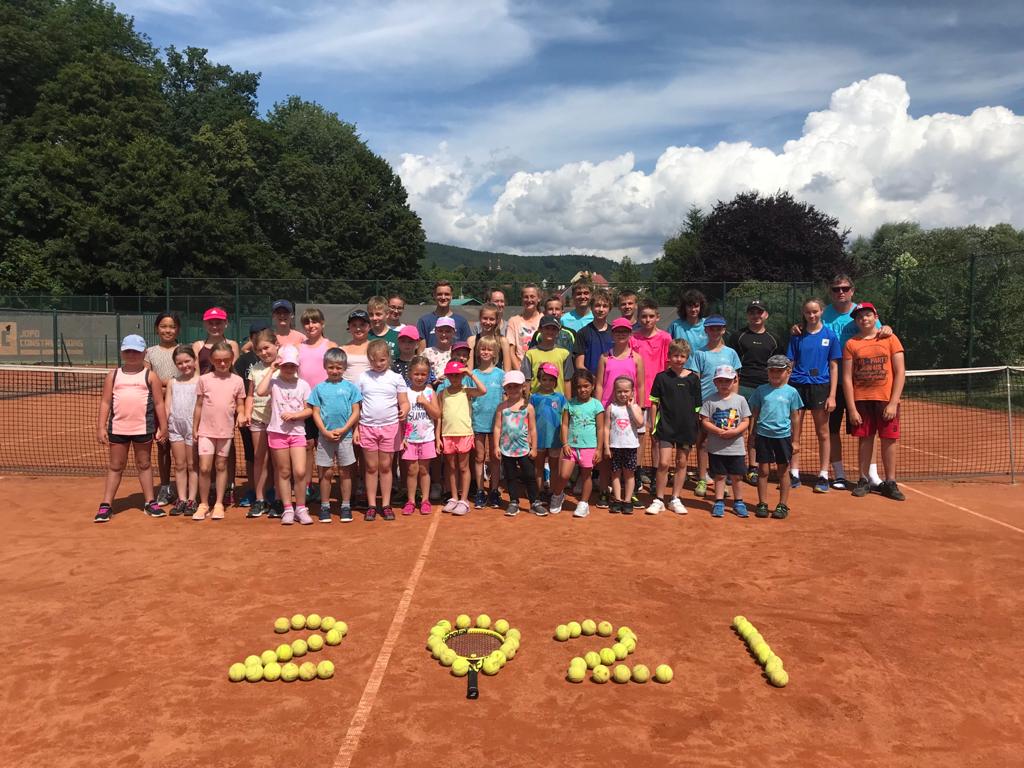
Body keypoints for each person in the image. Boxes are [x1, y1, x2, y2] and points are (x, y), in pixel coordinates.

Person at [805, 274, 889, 490]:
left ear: (852, 290)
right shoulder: (824, 314)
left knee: (867, 431)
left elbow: (879, 334)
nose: (840, 292)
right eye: (836, 289)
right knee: (832, 430)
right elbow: (810, 328)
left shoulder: (862, 313)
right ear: (830, 292)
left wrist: (887, 329)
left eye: (844, 288)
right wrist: (797, 328)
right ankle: (839, 474)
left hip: (861, 384)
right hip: (831, 384)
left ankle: (871, 475)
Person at [94, 334, 167, 523]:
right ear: (122, 352)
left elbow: (159, 403)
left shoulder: (150, 376)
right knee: (115, 465)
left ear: (144, 353)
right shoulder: (113, 376)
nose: (132, 354)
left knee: (144, 464)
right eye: (128, 351)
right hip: (118, 429)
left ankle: (150, 502)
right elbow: (105, 402)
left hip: (143, 429)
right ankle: (106, 504)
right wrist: (100, 427)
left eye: (136, 351)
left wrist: (163, 426)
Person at [842, 302, 906, 501]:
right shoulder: (851, 344)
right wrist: (852, 408)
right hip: (861, 400)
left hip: (885, 400)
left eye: (868, 315)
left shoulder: (890, 339)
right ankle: (863, 480)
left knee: (889, 440)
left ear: (875, 317)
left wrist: (893, 402)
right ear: (856, 321)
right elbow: (847, 378)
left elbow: (900, 372)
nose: (864, 319)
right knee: (865, 440)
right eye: (859, 316)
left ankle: (890, 482)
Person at [787, 298, 841, 493]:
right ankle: (793, 472)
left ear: (821, 311)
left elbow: (834, 367)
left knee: (823, 432)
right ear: (803, 313)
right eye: (808, 312)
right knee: (795, 431)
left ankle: (823, 474)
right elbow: (790, 363)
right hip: (797, 386)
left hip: (820, 387)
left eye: (815, 311)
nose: (812, 315)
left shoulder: (830, 336)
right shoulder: (797, 335)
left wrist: (832, 395)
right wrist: (785, 390)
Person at [256, 345, 312, 525]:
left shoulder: (303, 384)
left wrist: (295, 415)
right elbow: (260, 391)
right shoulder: (273, 382)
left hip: (297, 433)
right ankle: (288, 508)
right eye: (285, 365)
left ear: (297, 366)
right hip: (277, 433)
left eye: (292, 365)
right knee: (284, 471)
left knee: (300, 471)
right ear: (280, 365)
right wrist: (271, 369)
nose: (289, 368)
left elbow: (309, 410)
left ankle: (301, 508)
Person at [686, 314, 741, 497]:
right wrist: (697, 405)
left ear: (724, 330)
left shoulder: (731, 353)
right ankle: (702, 478)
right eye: (711, 328)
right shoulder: (699, 353)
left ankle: (720, 480)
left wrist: (734, 402)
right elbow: (695, 380)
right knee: (702, 442)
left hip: (726, 406)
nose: (715, 332)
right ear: (706, 330)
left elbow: (735, 379)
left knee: (722, 443)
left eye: (718, 328)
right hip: (705, 404)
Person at [727, 299, 781, 483]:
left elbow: (779, 365)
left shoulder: (774, 339)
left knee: (755, 429)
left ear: (766, 315)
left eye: (759, 312)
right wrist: (733, 387)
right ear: (747, 315)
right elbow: (731, 363)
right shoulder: (738, 336)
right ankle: (732, 467)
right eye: (752, 312)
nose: (756, 315)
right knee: (734, 427)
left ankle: (753, 467)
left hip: (765, 389)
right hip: (742, 386)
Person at [646, 339, 702, 515]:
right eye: (675, 355)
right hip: (666, 427)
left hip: (686, 428)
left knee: (682, 462)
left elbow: (697, 407)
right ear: (669, 356)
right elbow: (654, 403)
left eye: (682, 356)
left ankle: (675, 498)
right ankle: (659, 499)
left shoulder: (693, 379)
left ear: (687, 358)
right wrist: (652, 425)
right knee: (663, 463)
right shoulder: (661, 377)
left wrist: (695, 428)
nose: (679, 359)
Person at [192, 341, 245, 521]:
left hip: (225, 431)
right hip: (205, 431)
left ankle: (219, 503)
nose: (222, 363)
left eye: (226, 360)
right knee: (204, 467)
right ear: (212, 360)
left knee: (221, 466)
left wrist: (241, 414)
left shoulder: (237, 381)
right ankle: (203, 504)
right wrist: (195, 428)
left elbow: (240, 404)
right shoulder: (204, 380)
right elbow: (199, 406)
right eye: (218, 360)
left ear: (232, 359)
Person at [357, 340, 410, 521]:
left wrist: (404, 410)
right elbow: (357, 405)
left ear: (388, 358)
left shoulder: (396, 378)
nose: (378, 364)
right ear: (368, 359)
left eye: (382, 360)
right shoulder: (363, 378)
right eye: (373, 360)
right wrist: (356, 429)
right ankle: (372, 505)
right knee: (371, 467)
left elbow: (404, 401)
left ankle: (386, 504)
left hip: (390, 428)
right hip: (367, 427)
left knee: (386, 467)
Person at [309, 347, 362, 523]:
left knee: (345, 472)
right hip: (325, 438)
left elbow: (356, 411)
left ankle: (345, 506)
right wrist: (324, 432)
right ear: (325, 366)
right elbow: (315, 412)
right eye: (331, 367)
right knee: (326, 473)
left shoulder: (351, 388)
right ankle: (325, 506)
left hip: (345, 437)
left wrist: (345, 429)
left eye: (339, 367)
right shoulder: (319, 389)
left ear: (345, 367)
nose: (335, 371)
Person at [749, 356, 804, 519]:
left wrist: (795, 441)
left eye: (779, 371)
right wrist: (752, 434)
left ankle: (782, 505)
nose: (774, 374)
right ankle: (762, 503)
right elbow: (755, 414)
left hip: (783, 437)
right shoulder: (760, 390)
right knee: (763, 470)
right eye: (771, 370)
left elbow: (795, 417)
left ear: (788, 372)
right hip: (763, 435)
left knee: (783, 471)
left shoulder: (792, 392)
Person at [548, 368, 605, 518]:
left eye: (586, 386)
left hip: (589, 447)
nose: (582, 389)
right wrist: (565, 444)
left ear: (592, 386)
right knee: (563, 475)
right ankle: (557, 495)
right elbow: (564, 425)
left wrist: (599, 449)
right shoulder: (569, 404)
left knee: (586, 475)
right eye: (579, 387)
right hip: (571, 447)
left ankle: (583, 504)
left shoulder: (597, 405)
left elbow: (600, 428)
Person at [297, 308, 338, 506]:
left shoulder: (331, 346)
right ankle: (307, 485)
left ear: (322, 324)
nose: (311, 325)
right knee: (307, 445)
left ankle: (324, 486)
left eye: (314, 321)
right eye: (307, 322)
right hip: (305, 405)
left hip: (326, 406)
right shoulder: (298, 347)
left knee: (324, 446)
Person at [438, 359, 488, 516]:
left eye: (457, 375)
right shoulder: (442, 393)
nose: (454, 378)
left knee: (463, 467)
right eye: (451, 375)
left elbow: (483, 390)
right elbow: (439, 417)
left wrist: (470, 374)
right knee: (452, 468)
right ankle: (454, 497)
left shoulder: (466, 391)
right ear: (447, 376)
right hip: (447, 435)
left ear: (462, 376)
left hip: (464, 434)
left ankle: (464, 500)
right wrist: (438, 437)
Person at [699, 365, 750, 519]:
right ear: (715, 382)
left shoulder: (740, 400)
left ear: (734, 381)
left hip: (736, 448)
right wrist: (718, 431)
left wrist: (735, 431)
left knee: (737, 476)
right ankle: (719, 502)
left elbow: (746, 420)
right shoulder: (709, 400)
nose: (724, 384)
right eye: (720, 381)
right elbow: (704, 421)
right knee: (720, 476)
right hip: (717, 448)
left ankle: (739, 502)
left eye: (727, 381)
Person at [493, 370, 546, 517]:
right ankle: (513, 502)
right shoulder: (501, 407)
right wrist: (496, 446)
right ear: (505, 388)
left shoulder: (528, 407)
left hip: (524, 449)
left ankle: (535, 502)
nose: (512, 389)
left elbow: (533, 429)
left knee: (529, 476)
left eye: (516, 386)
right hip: (507, 449)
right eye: (509, 387)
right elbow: (497, 427)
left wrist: (534, 448)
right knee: (510, 477)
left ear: (523, 387)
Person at [631, 298, 671, 492]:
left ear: (657, 317)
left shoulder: (665, 338)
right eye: (644, 316)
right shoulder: (633, 338)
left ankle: (655, 476)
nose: (647, 320)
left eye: (651, 316)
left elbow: (669, 366)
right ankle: (637, 475)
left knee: (656, 437)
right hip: (638, 396)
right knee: (638, 437)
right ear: (638, 318)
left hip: (658, 397)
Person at [145, 312, 181, 506]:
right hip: (159, 407)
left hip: (182, 406)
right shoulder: (150, 353)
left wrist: (165, 384)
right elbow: (148, 380)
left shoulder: (184, 350)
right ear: (156, 329)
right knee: (163, 446)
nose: (168, 330)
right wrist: (167, 385)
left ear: (178, 329)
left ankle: (187, 490)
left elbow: (188, 377)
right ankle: (165, 487)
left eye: (172, 326)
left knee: (186, 450)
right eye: (164, 326)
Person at [244, 329, 280, 518]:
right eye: (259, 350)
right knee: (260, 459)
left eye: (267, 348)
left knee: (279, 461)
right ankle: (260, 500)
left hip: (280, 421)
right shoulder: (255, 369)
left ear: (277, 345)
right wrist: (247, 412)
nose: (264, 353)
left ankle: (279, 499)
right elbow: (250, 395)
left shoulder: (286, 366)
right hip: (258, 418)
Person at [233, 321, 268, 509]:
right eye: (256, 334)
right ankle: (252, 490)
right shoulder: (243, 361)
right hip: (250, 414)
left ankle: (270, 491)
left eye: (263, 333)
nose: (259, 337)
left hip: (271, 416)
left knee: (271, 456)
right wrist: (242, 411)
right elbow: (239, 386)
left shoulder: (277, 359)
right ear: (251, 338)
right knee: (251, 454)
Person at [401, 356, 440, 516]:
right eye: (416, 374)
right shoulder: (405, 393)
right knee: (411, 471)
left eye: (423, 374)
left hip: (427, 438)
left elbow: (437, 414)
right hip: (409, 439)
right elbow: (401, 417)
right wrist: (402, 437)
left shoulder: (430, 392)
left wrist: (425, 403)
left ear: (428, 375)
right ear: (410, 374)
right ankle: (411, 500)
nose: (419, 377)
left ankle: (425, 500)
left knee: (424, 470)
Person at [470, 336, 506, 508]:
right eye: (482, 349)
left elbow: (505, 398)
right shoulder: (473, 374)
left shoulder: (501, 374)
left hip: (496, 424)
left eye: (489, 349)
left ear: (495, 353)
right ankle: (479, 490)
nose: (485, 352)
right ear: (478, 352)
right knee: (479, 457)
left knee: (495, 458)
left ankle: (494, 491)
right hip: (478, 421)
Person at [165, 345, 199, 518]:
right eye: (179, 363)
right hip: (175, 427)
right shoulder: (172, 382)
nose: (184, 365)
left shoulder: (201, 381)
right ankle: (182, 499)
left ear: (194, 360)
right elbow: (167, 406)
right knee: (179, 464)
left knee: (193, 465)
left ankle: (192, 499)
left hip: (193, 427)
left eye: (187, 361)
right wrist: (164, 427)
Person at [603, 376, 644, 515]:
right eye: (619, 391)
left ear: (632, 392)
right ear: (614, 392)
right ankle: (617, 500)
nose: (623, 394)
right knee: (615, 474)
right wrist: (606, 446)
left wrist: (631, 407)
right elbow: (606, 428)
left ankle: (627, 501)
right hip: (615, 446)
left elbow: (640, 423)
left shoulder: (635, 407)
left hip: (630, 447)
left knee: (629, 474)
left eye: (626, 391)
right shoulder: (611, 408)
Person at [530, 363, 567, 500]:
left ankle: (552, 491)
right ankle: (540, 491)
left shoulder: (560, 398)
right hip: (538, 438)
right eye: (544, 379)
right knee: (538, 466)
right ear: (539, 379)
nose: (548, 382)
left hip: (555, 438)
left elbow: (566, 418)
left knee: (554, 466)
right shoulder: (533, 397)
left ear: (556, 381)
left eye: (551, 380)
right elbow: (529, 418)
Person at [596, 317, 644, 407]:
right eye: (617, 331)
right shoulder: (604, 358)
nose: (621, 334)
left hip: (630, 408)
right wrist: (598, 408)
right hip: (607, 406)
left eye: (625, 331)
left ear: (630, 334)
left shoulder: (637, 358)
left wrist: (641, 408)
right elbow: (599, 385)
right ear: (612, 334)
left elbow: (640, 386)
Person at [522, 315, 574, 396]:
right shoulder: (530, 353)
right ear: (539, 329)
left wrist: (567, 402)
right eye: (547, 328)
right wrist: (526, 400)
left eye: (554, 329)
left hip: (557, 401)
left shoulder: (565, 353)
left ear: (558, 331)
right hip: (536, 400)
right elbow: (527, 380)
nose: (550, 331)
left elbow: (567, 381)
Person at [417, 280, 471, 349]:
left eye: (447, 294)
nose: (443, 297)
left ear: (451, 296)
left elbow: (466, 349)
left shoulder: (462, 322)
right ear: (434, 295)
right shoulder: (424, 321)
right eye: (439, 294)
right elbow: (421, 351)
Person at [573, 288, 613, 373]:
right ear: (591, 307)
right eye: (597, 305)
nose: (601, 309)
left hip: (611, 379)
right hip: (590, 379)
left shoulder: (615, 333)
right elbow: (579, 365)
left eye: (605, 306)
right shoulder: (582, 333)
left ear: (610, 309)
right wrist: (593, 378)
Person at [192, 307, 240, 375]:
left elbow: (234, 370)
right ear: (205, 324)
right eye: (210, 323)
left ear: (226, 323)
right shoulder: (197, 346)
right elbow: (196, 373)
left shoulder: (233, 345)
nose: (214, 327)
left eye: (218, 323)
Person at [506, 283, 542, 371]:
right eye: (526, 297)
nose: (529, 300)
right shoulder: (514, 321)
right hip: (520, 368)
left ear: (539, 298)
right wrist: (520, 373)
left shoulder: (544, 320)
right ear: (522, 299)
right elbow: (511, 351)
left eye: (532, 296)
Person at [470, 302, 509, 370]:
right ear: (480, 318)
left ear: (497, 320)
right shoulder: (472, 341)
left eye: (491, 319)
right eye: (485, 318)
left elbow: (507, 370)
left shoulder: (503, 341)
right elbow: (469, 369)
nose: (488, 322)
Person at [341, 309, 371, 385]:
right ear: (349, 327)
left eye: (362, 325)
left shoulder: (376, 348)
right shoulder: (341, 350)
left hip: (370, 391)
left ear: (369, 326)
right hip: (347, 390)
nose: (358, 329)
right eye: (354, 325)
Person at [424, 316, 456, 383]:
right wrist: (435, 382)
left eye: (448, 331)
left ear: (453, 333)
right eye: (440, 331)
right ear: (435, 331)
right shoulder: (427, 353)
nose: (444, 334)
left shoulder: (457, 352)